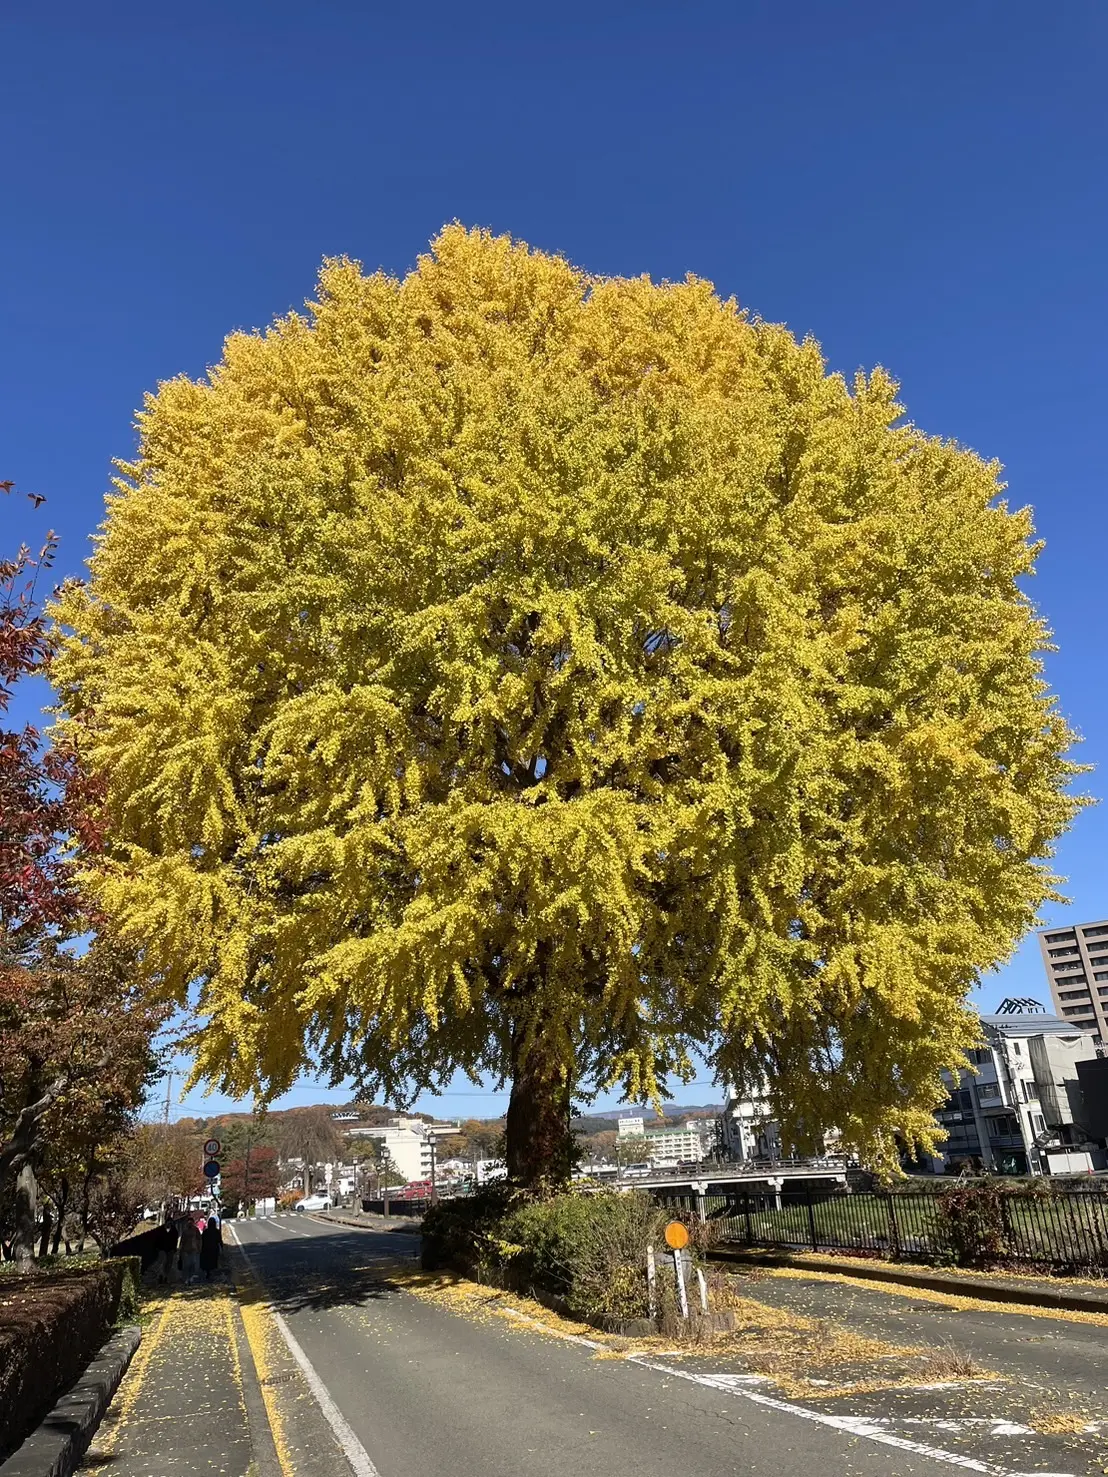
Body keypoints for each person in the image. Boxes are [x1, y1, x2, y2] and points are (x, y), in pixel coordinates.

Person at [178, 1215, 202, 1284]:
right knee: (186, 1265)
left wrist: (199, 1247)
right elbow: (182, 1241)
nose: (190, 1223)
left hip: (194, 1249)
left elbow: (199, 1239)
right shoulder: (185, 1231)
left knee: (193, 1264)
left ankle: (191, 1277)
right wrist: (180, 1249)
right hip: (186, 1250)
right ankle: (186, 1278)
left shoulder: (196, 1230)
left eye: (191, 1222)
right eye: (189, 1222)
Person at [155, 1217, 179, 1284]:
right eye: (168, 1222)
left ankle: (165, 1276)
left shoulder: (174, 1231)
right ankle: (160, 1275)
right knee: (162, 1262)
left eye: (171, 1223)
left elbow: (175, 1240)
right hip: (162, 1249)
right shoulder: (161, 1230)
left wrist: (174, 1249)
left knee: (169, 1263)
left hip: (170, 1249)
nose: (169, 1224)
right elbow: (157, 1239)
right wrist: (157, 1247)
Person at [200, 1212, 222, 1281]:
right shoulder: (216, 1231)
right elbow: (219, 1240)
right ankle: (212, 1273)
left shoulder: (206, 1232)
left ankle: (208, 1272)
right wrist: (221, 1247)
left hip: (206, 1249)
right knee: (213, 1261)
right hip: (214, 1249)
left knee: (207, 1261)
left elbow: (202, 1240)